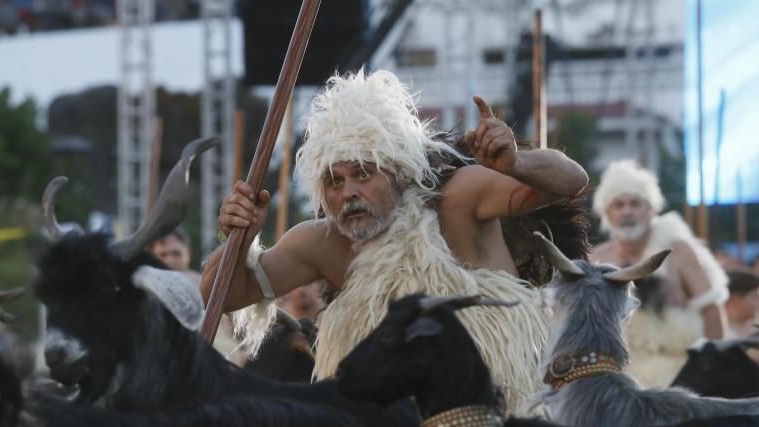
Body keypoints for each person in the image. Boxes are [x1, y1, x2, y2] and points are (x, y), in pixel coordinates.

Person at [201, 69, 588, 409]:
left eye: (364, 173)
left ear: (399, 173)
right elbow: (224, 296)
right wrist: (237, 239)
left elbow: (571, 181)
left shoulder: (457, 199)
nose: (348, 192)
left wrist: (517, 162)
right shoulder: (321, 243)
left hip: (496, 419)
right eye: (334, 181)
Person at [589, 160, 729, 386]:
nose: (627, 211)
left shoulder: (678, 250)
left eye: (635, 203)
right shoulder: (598, 258)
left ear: (650, 209)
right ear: (607, 212)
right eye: (619, 205)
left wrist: (713, 367)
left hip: (679, 372)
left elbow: (712, 310)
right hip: (618, 373)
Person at [724, 269, 759, 339]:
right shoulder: (718, 335)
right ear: (735, 299)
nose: (758, 302)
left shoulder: (754, 330)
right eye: (755, 296)